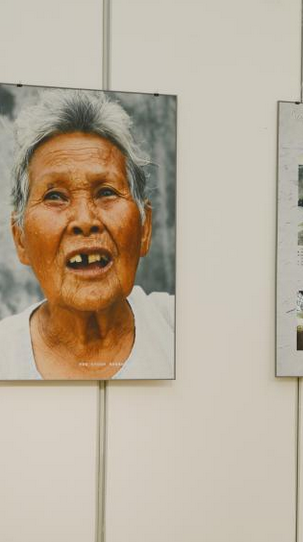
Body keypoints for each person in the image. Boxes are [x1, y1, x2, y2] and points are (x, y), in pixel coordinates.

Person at [0, 89, 174, 379]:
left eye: (106, 192)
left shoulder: (181, 330)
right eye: (55, 196)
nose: (85, 219)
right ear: (20, 239)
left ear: (145, 228)